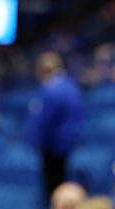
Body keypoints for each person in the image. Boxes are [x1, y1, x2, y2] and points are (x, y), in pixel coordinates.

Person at [25, 52, 85, 200]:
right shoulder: (71, 85)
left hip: (53, 144)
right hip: (66, 141)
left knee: (53, 182)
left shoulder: (51, 89)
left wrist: (36, 141)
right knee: (60, 176)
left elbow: (44, 121)